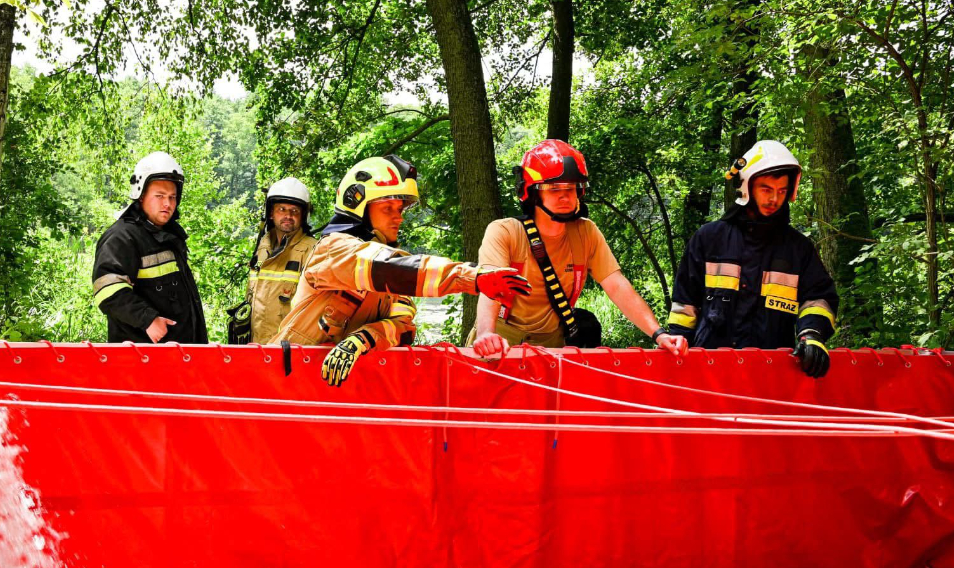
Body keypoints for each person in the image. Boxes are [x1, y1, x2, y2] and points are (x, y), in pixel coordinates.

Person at [273, 154, 532, 386]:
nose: (399, 217)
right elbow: (388, 268)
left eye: (399, 209)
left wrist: (364, 338)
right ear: (359, 207)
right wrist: (470, 277)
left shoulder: (390, 275)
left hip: (336, 390)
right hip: (286, 382)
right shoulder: (336, 250)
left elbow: (403, 326)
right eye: (388, 209)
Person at [471, 139, 687, 358]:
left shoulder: (586, 232)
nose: (565, 196)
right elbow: (492, 287)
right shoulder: (504, 232)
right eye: (554, 188)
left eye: (571, 188)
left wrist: (659, 334)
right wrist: (486, 334)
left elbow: (616, 286)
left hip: (551, 345)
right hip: (498, 342)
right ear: (534, 192)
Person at [666, 139, 837, 378]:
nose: (774, 199)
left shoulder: (798, 249)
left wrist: (812, 335)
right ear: (747, 187)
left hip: (774, 373)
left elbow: (819, 299)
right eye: (766, 189)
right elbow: (685, 304)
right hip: (709, 370)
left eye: (781, 191)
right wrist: (676, 349)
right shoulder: (709, 239)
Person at [91, 151, 208, 344]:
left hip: (179, 356)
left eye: (172, 197)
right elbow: (107, 290)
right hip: (141, 359)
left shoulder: (169, 236)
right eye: (159, 196)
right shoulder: (121, 237)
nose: (167, 204)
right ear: (141, 195)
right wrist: (147, 319)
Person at [245, 177, 319, 343]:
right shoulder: (261, 250)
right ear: (271, 213)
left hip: (290, 354)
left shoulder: (313, 251)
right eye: (282, 209)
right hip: (257, 350)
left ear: (303, 216)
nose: (288, 216)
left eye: (294, 211)